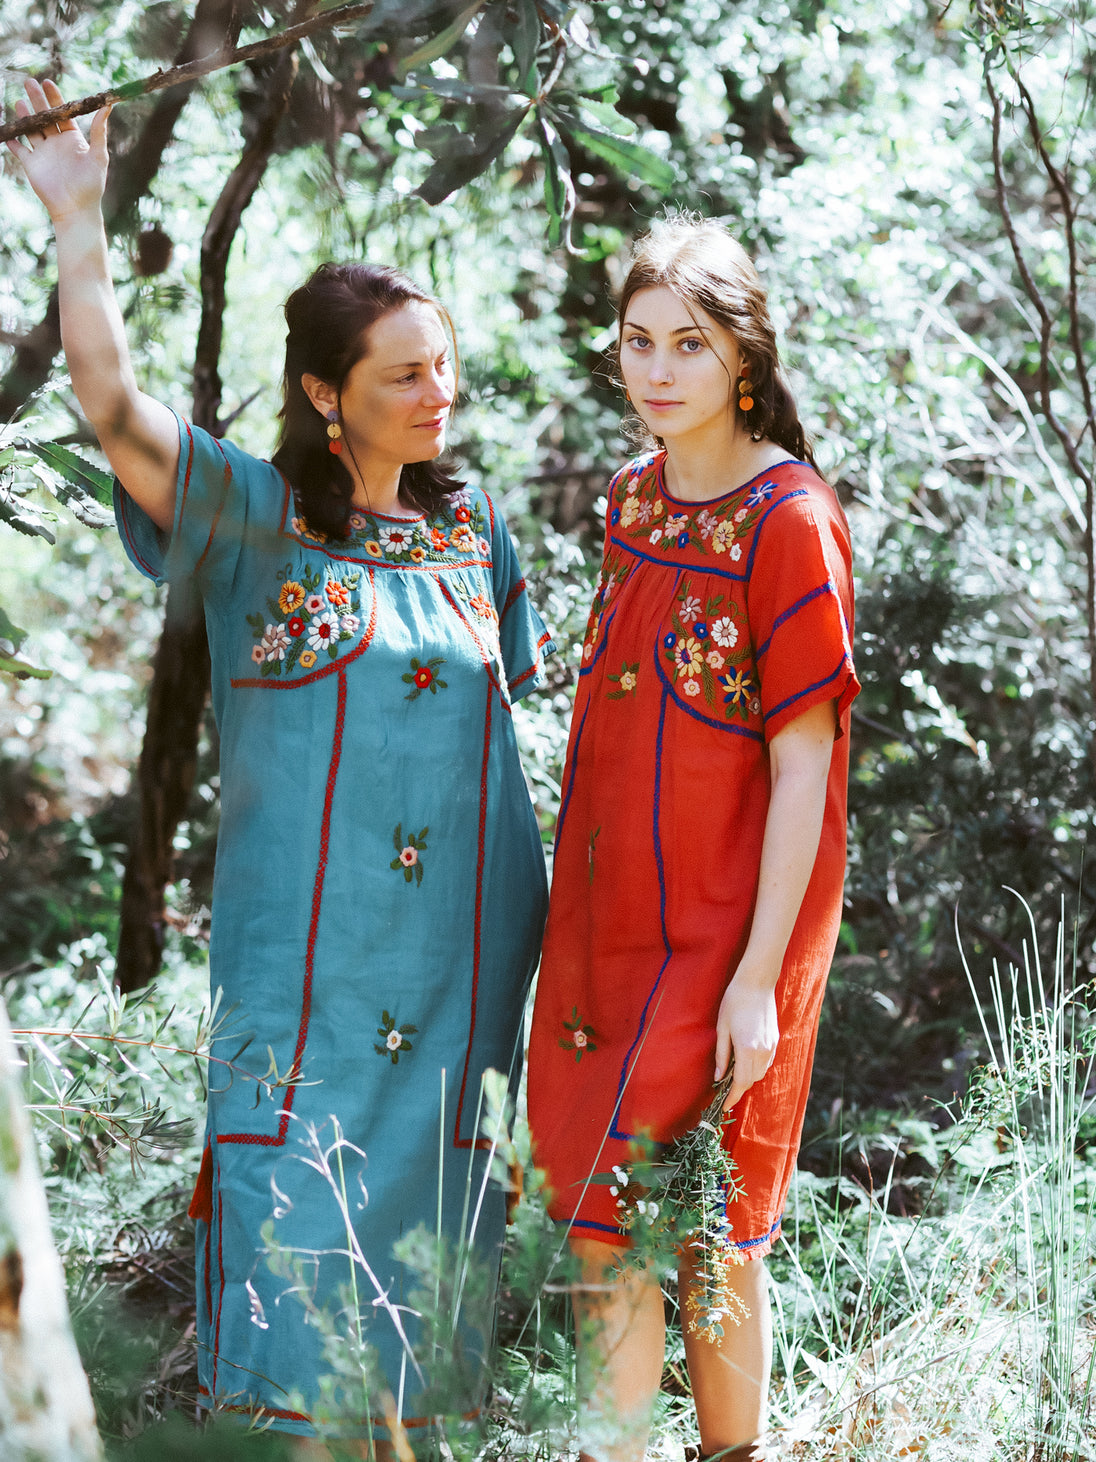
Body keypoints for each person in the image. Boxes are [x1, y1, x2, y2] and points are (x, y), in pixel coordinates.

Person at [9, 79, 554, 1452]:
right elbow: (113, 406)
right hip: (305, 984)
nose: (440, 393)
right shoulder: (252, 518)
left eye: (444, 364)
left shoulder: (475, 528)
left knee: (426, 1300)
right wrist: (77, 217)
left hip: (462, 985)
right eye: (403, 374)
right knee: (297, 1263)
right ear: (324, 392)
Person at [526, 213, 859, 1462]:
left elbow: (805, 762)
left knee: (711, 1230)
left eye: (689, 345)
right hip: (605, 925)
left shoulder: (790, 518)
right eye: (638, 341)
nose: (657, 370)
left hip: (730, 934)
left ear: (744, 358)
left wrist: (759, 980)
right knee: (601, 1227)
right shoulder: (631, 496)